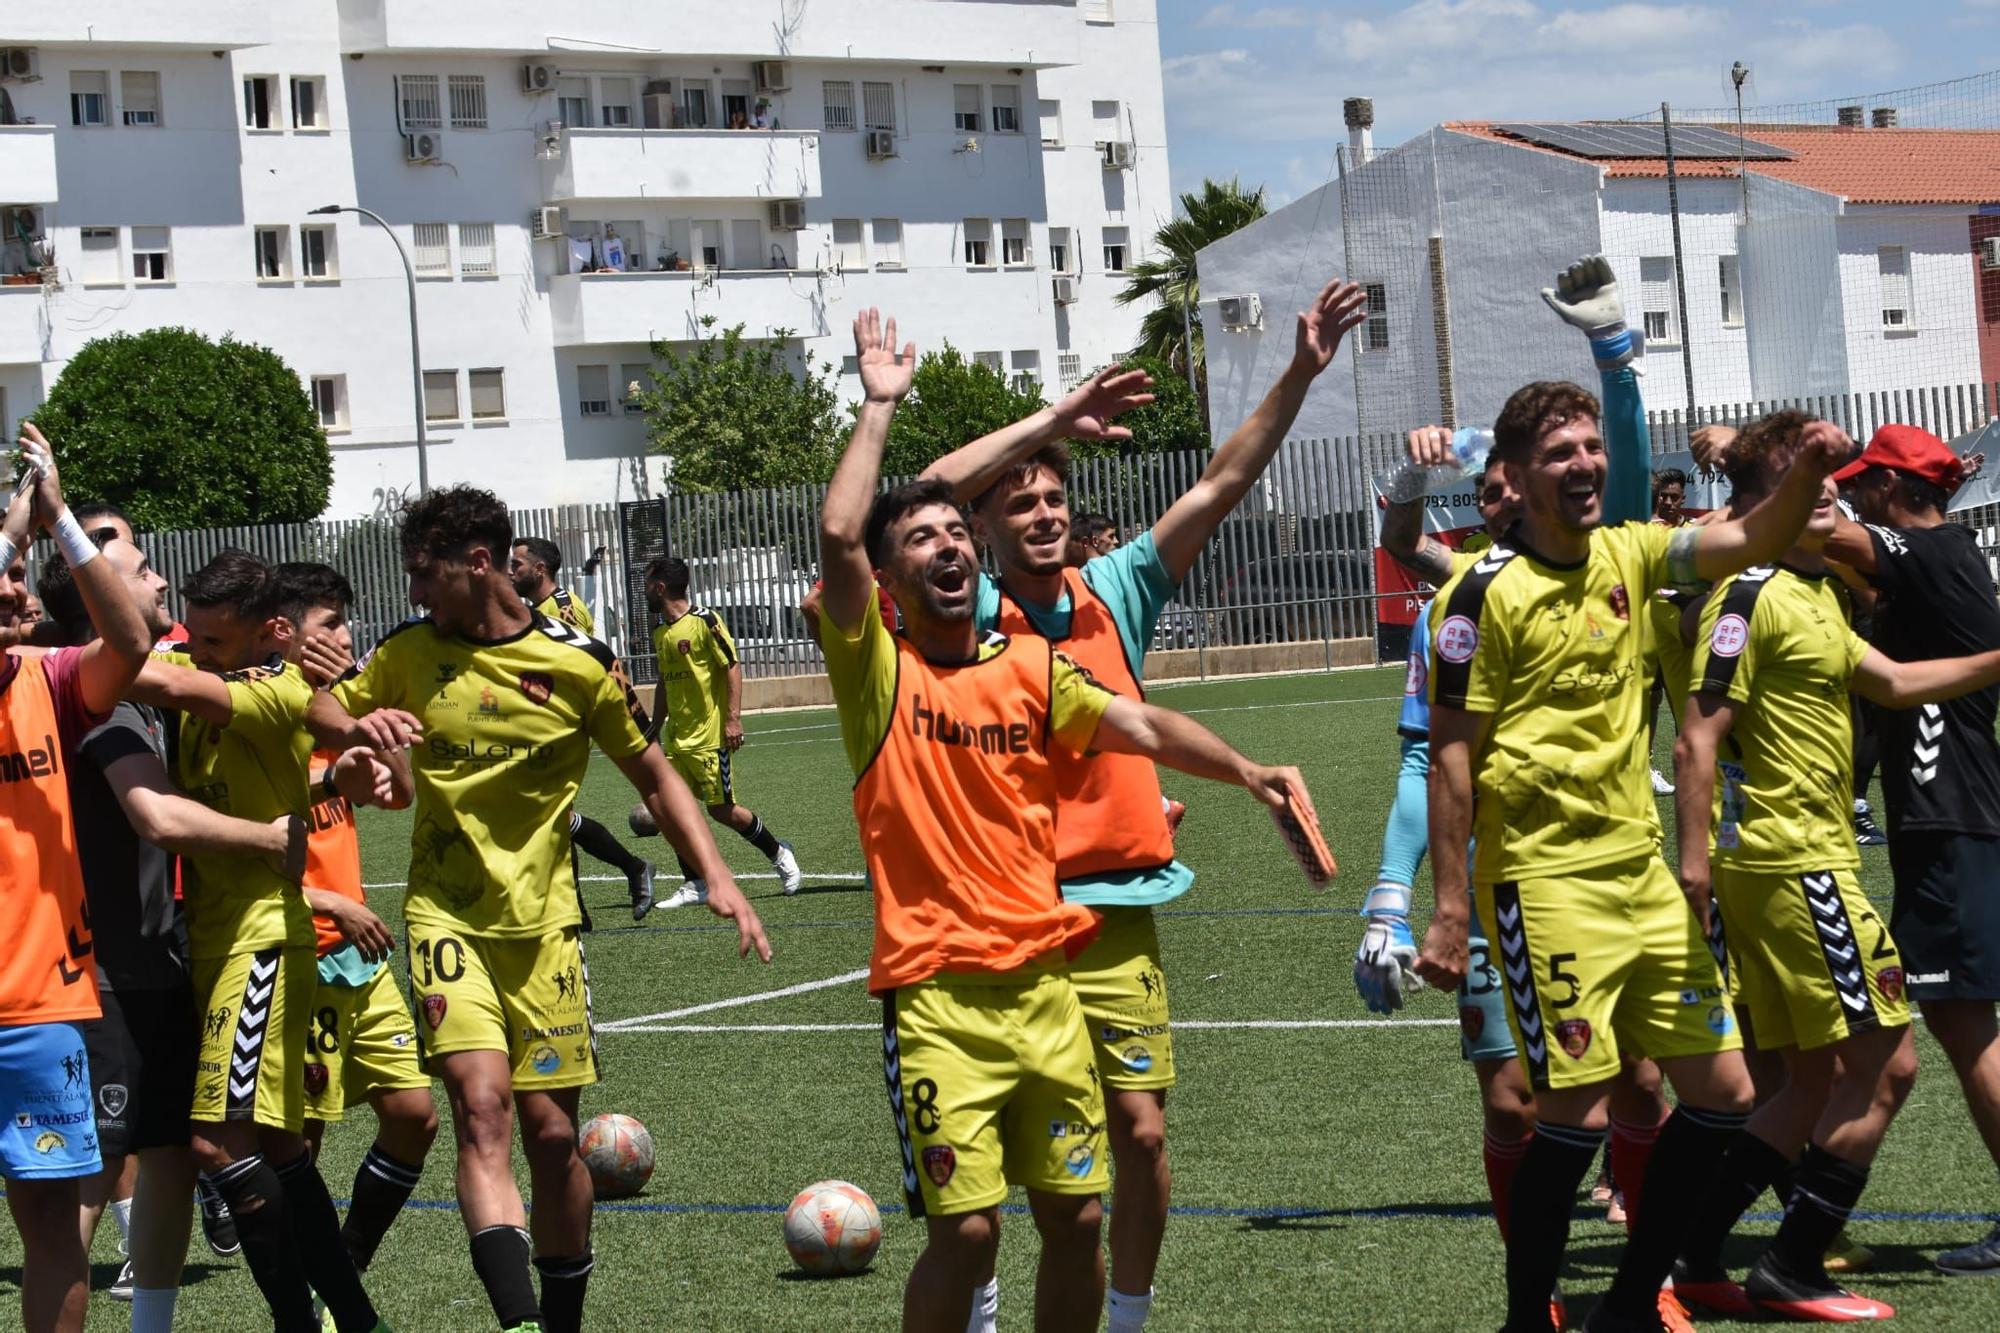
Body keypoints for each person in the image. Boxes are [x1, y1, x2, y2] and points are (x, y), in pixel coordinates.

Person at [823, 307, 1326, 1333]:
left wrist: (1240, 770)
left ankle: (1121, 1317)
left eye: (1056, 496)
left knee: (1099, 1183)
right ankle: (978, 1303)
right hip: (962, 968)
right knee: (969, 1230)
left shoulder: (1084, 619)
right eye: (1013, 502)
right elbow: (871, 522)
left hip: (1077, 944)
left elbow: (1137, 715)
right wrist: (912, 408)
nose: (1039, 513)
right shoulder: (915, 648)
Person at [1409, 365, 1850, 1332]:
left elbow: (1747, 536)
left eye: (1592, 446)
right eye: (1561, 451)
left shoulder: (1634, 553)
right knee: (1573, 1111)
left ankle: (1626, 1303)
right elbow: (1449, 762)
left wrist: (1809, 473)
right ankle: (1528, 1316)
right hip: (1540, 882)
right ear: (1517, 477)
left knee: (1725, 1091)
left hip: (1641, 876)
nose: (1585, 462)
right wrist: (1447, 911)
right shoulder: (1480, 596)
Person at [309, 485, 769, 1333]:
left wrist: (716, 873)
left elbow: (656, 774)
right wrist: (358, 730)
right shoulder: (410, 652)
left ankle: (561, 1321)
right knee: (480, 1109)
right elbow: (328, 704)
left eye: (424, 573)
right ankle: (518, 1321)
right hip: (445, 919)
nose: (413, 592)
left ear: (477, 563)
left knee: (553, 1140)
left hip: (547, 928)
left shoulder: (579, 663)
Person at [1669, 410, 2000, 1318]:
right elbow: (1697, 736)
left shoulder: (1818, 593)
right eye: (1813, 489)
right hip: (1789, 865)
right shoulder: (1749, 595)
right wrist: (1693, 871)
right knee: (1890, 1066)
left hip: (1811, 863)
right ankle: (1792, 1262)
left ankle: (1693, 1253)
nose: (1832, 500)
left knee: (1813, 1077)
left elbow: (1893, 683)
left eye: (1833, 488)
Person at [125, 551, 399, 1333]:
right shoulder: (215, 664)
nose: (198, 649)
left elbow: (170, 680)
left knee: (214, 1144)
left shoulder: (272, 686)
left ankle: (296, 1322)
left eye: (214, 639)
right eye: (197, 636)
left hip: (259, 944)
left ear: (267, 633)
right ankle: (354, 1318)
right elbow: (177, 666)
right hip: (218, 941)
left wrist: (51, 658)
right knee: (280, 1146)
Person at [37, 530, 297, 1326]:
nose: (158, 582)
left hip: (156, 964)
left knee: (171, 1157)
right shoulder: (97, 695)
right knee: (92, 1174)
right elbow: (155, 815)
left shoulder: (147, 686)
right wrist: (273, 838)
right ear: (97, 600)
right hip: (103, 974)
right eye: (140, 572)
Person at [1823, 424, 2000, 1275]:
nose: (1850, 494)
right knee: (1963, 1020)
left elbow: (1821, 533)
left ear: (1896, 489)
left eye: (1862, 482)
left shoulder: (1929, 552)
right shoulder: (1943, 557)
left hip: (1948, 819)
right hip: (1956, 817)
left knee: (1966, 1025)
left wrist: (1775, 464)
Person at [0, 430, 152, 1333]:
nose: (19, 588)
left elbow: (127, 637)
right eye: (8, 575)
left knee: (52, 1226)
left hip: (39, 1004)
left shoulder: (46, 676)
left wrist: (55, 519)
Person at [273, 562, 441, 1283]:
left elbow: (398, 794)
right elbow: (230, 848)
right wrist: (332, 902)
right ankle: (304, 1296)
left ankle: (343, 1265)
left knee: (414, 1116)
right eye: (331, 623)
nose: (347, 635)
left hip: (360, 961)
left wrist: (379, 727)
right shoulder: (265, 715)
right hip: (300, 952)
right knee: (298, 1143)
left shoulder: (336, 712)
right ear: (286, 634)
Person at [637, 556, 804, 906]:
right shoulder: (660, 633)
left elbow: (731, 667)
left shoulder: (705, 622)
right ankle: (695, 883)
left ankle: (779, 854)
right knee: (671, 810)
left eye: (648, 585)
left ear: (661, 587)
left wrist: (733, 719)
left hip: (709, 738)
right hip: (677, 740)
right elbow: (666, 682)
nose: (645, 591)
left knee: (722, 810)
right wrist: (655, 724)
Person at [509, 535, 656, 921]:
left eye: (517, 565)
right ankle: (583, 906)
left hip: (564, 720)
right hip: (544, 719)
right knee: (555, 818)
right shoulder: (539, 607)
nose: (510, 571)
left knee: (555, 815)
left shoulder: (560, 609)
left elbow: (571, 665)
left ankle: (633, 869)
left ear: (539, 569)